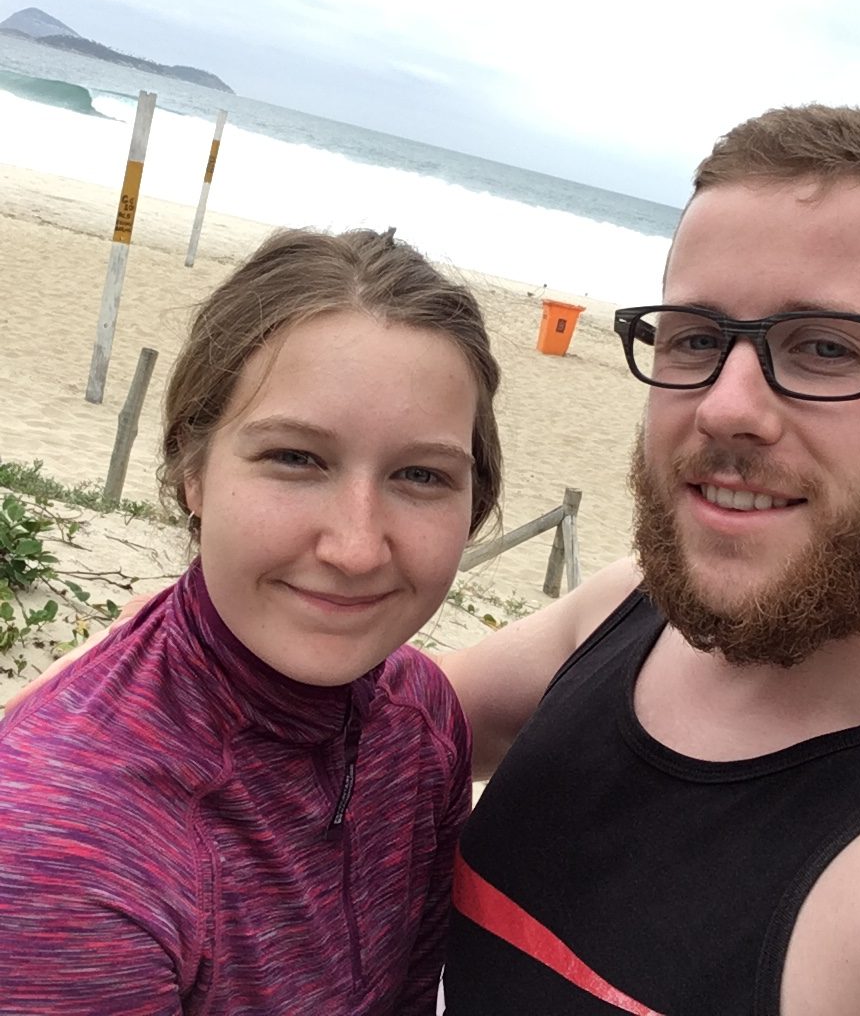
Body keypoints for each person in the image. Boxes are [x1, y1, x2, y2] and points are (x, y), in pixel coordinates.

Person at [438, 104, 860, 1014]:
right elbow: (319, 725)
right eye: (695, 338)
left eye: (827, 347)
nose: (726, 406)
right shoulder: (624, 615)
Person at [0, 226, 502, 1015]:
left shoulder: (421, 723)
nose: (356, 546)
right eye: (296, 459)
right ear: (191, 469)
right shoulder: (67, 853)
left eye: (420, 475)